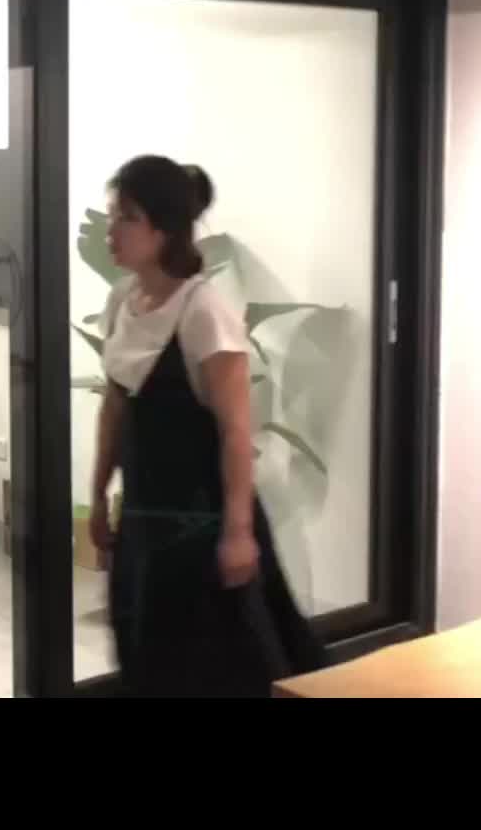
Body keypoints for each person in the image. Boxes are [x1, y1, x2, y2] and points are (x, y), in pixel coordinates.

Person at [89, 155, 325, 697]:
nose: (111, 229)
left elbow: (235, 432)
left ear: (164, 229)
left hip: (202, 524)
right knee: (144, 652)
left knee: (214, 667)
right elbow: (115, 407)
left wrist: (238, 534)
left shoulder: (204, 312)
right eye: (113, 214)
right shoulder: (122, 301)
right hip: (145, 518)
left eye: (126, 217)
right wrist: (99, 495)